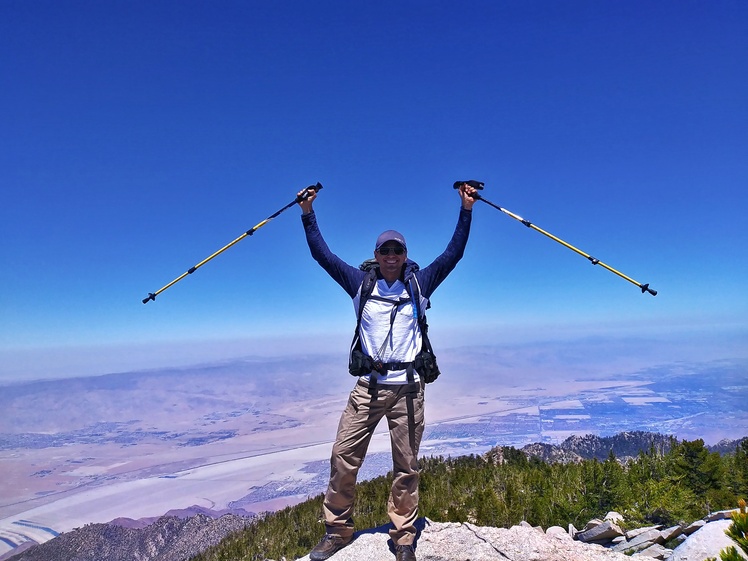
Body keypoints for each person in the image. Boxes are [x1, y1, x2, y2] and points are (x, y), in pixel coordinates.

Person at [297, 182, 478, 561]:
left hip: (409, 389)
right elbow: (323, 257)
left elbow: (453, 254)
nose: (392, 256)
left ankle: (403, 536)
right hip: (369, 387)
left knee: (406, 466)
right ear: (376, 255)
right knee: (343, 456)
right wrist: (308, 214)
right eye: (385, 250)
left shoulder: (420, 283)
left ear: (405, 255)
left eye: (398, 250)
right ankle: (338, 530)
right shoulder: (360, 284)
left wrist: (466, 209)